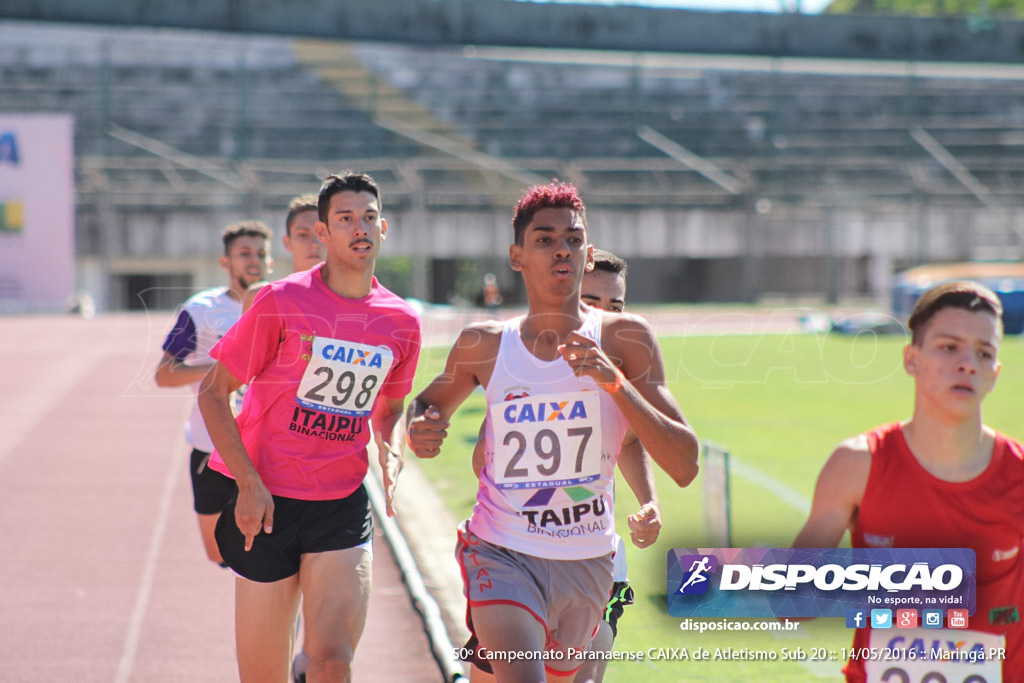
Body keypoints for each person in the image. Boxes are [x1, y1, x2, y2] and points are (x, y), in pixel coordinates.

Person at [407, 182, 699, 682]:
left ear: (588, 256)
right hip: (501, 550)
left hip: (586, 559)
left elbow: (685, 464)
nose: (561, 247)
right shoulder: (485, 344)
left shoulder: (625, 338)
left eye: (573, 238)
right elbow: (429, 405)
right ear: (516, 256)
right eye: (544, 239)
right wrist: (422, 428)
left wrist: (616, 384)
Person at [197, 171, 422, 683]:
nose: (358, 227)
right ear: (321, 233)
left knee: (331, 663)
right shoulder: (280, 301)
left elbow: (389, 408)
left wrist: (392, 449)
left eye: (368, 217)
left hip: (340, 506)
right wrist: (249, 483)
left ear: (383, 228)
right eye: (344, 218)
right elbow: (213, 392)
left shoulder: (401, 321)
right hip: (268, 504)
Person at [793, 281, 1024, 682]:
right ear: (911, 358)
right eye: (949, 347)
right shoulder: (857, 464)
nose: (967, 362)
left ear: (995, 373)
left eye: (983, 353)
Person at [469, 248, 674, 683]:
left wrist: (649, 501)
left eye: (614, 306)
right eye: (590, 302)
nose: (602, 316)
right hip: (516, 556)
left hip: (592, 555)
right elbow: (479, 464)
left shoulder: (621, 367)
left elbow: (632, 440)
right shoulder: (524, 363)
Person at [154, 220, 273, 565]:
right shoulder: (200, 310)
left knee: (270, 554)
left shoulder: (281, 305)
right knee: (220, 554)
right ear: (226, 262)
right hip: (210, 448)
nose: (254, 260)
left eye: (261, 253)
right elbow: (164, 374)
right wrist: (229, 369)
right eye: (244, 253)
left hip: (267, 452)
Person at [243, 193, 326, 312]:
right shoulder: (263, 296)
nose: (314, 243)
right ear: (287, 243)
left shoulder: (354, 297)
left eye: (321, 234)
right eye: (303, 235)